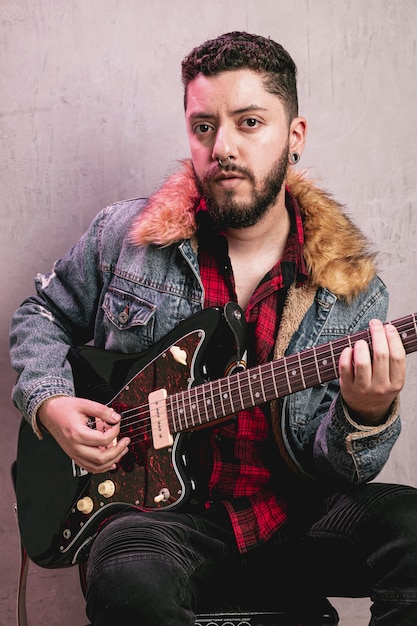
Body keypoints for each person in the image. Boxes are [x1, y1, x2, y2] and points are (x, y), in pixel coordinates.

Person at [9, 31, 417, 626]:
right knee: (126, 582)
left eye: (249, 122)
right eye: (204, 126)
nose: (222, 146)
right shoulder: (126, 239)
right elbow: (39, 315)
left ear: (294, 136)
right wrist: (49, 403)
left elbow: (338, 470)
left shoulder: (349, 289)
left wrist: (368, 414)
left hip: (290, 518)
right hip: (156, 523)